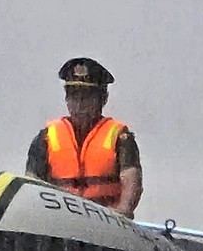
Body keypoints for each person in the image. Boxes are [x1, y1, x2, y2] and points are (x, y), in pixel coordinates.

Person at [24, 57, 143, 218]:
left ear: (103, 99)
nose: (79, 105)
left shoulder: (120, 138)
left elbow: (131, 181)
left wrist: (122, 212)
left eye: (87, 98)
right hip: (59, 222)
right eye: (74, 97)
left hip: (106, 223)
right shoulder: (46, 138)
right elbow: (32, 183)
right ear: (67, 99)